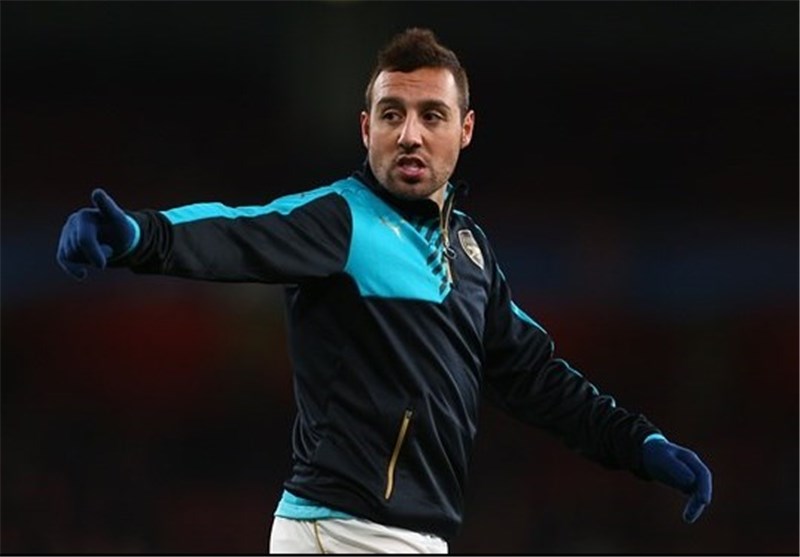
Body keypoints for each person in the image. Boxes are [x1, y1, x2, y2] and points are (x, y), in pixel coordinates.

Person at [56, 27, 712, 554]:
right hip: (342, 531)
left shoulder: (471, 252)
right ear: (366, 128)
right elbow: (239, 231)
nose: (410, 133)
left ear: (465, 130)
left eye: (432, 115)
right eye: (392, 114)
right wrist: (137, 234)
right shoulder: (343, 219)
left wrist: (639, 444)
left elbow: (535, 375)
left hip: (410, 538)